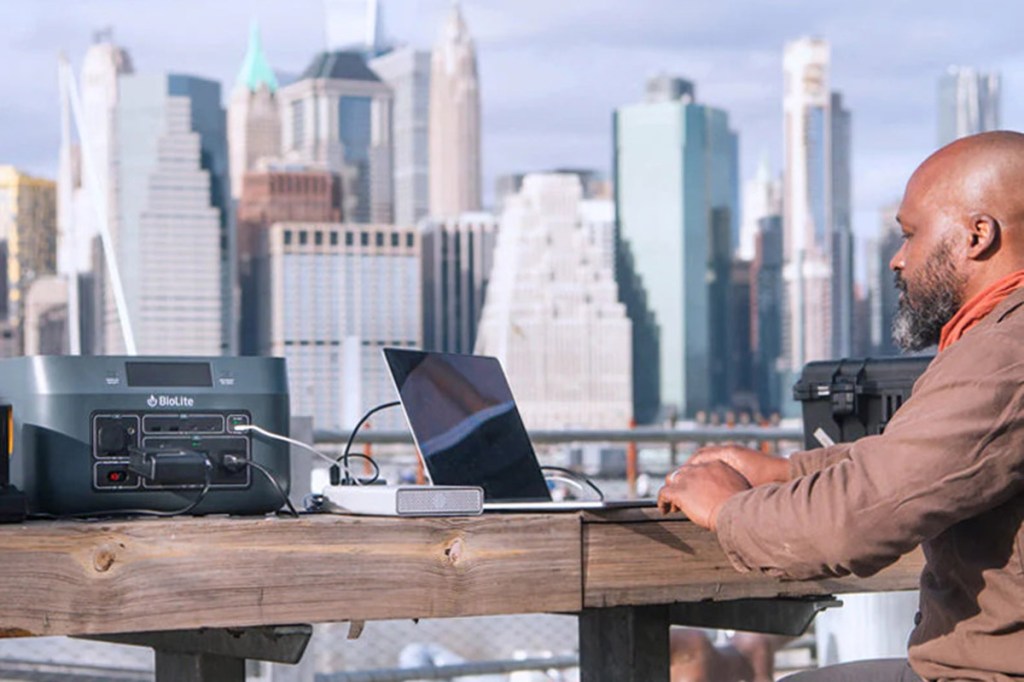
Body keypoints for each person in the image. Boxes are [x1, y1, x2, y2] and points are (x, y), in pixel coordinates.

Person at [659, 130, 1024, 681]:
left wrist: (726, 510)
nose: (899, 260)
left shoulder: (1005, 353)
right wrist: (786, 472)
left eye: (911, 235)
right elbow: (916, 459)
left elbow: (858, 519)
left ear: (978, 236)